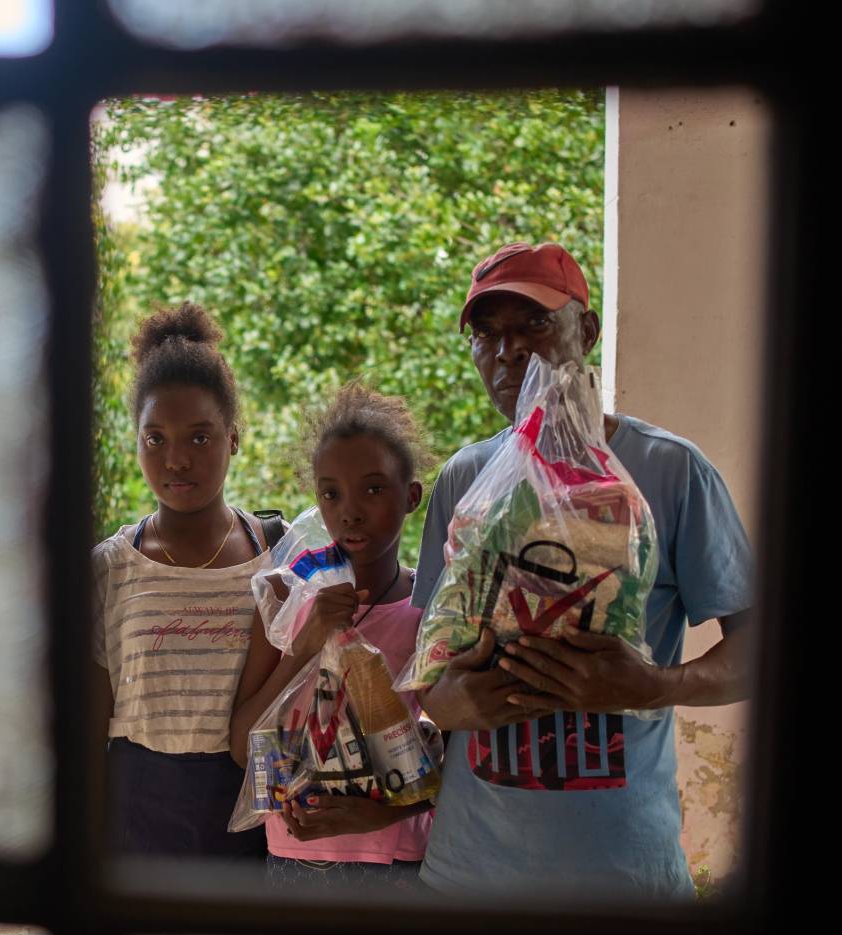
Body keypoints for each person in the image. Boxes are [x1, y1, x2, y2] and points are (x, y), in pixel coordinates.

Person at [413, 241, 754, 901]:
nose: (506, 350)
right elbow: (428, 675)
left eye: (533, 324)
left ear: (586, 331)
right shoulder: (465, 481)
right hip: (468, 883)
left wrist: (654, 684)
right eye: (486, 334)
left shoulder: (670, 471)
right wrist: (451, 705)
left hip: (625, 885)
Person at [229, 383, 434, 892]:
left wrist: (377, 816)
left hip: (397, 861)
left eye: (373, 488)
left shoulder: (427, 610)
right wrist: (308, 643)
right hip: (293, 858)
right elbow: (241, 747)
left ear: (411, 496)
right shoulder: (285, 601)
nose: (350, 512)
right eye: (330, 493)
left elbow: (451, 761)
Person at [90, 303, 274, 859]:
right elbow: (90, 725)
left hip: (253, 811)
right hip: (137, 818)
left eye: (199, 437)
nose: (176, 460)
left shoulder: (279, 556)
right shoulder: (109, 568)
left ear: (234, 437)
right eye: (155, 439)